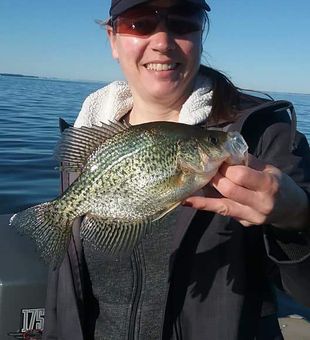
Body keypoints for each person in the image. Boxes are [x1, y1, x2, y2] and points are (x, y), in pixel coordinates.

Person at [43, 0, 310, 339]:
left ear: (201, 34)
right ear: (112, 38)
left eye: (183, 22)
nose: (162, 41)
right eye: (140, 24)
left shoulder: (267, 138)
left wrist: (298, 218)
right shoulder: (88, 138)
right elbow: (65, 292)